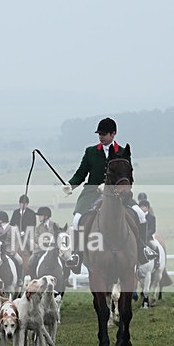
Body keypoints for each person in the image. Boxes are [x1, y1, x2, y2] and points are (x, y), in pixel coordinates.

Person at [62, 117, 157, 273]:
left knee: (140, 214)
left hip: (118, 193)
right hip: (92, 192)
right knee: (77, 219)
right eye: (99, 134)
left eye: (104, 134)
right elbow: (81, 173)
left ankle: (142, 248)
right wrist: (71, 185)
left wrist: (121, 189)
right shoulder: (91, 151)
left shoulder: (122, 152)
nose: (101, 136)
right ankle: (77, 255)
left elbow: (128, 175)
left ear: (113, 134)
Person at [28, 206, 62, 277]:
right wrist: (43, 241)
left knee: (64, 260)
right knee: (31, 261)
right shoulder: (38, 227)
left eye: (40, 215)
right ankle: (33, 277)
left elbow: (58, 235)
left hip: (53, 249)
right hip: (41, 250)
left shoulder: (55, 225)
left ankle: (65, 278)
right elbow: (36, 238)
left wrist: (51, 241)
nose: (39, 217)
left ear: (46, 216)